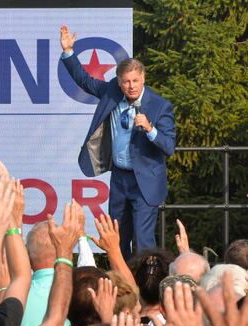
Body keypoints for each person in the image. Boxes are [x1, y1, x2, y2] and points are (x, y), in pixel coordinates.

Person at [60, 25, 176, 259]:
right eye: (126, 82)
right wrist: (69, 52)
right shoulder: (112, 91)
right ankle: (120, 280)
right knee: (117, 238)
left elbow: (169, 147)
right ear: (119, 82)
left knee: (143, 242)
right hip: (120, 178)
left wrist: (150, 129)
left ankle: (144, 282)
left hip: (145, 180)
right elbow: (85, 81)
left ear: (143, 78)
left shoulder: (160, 105)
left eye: (135, 81)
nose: (131, 86)